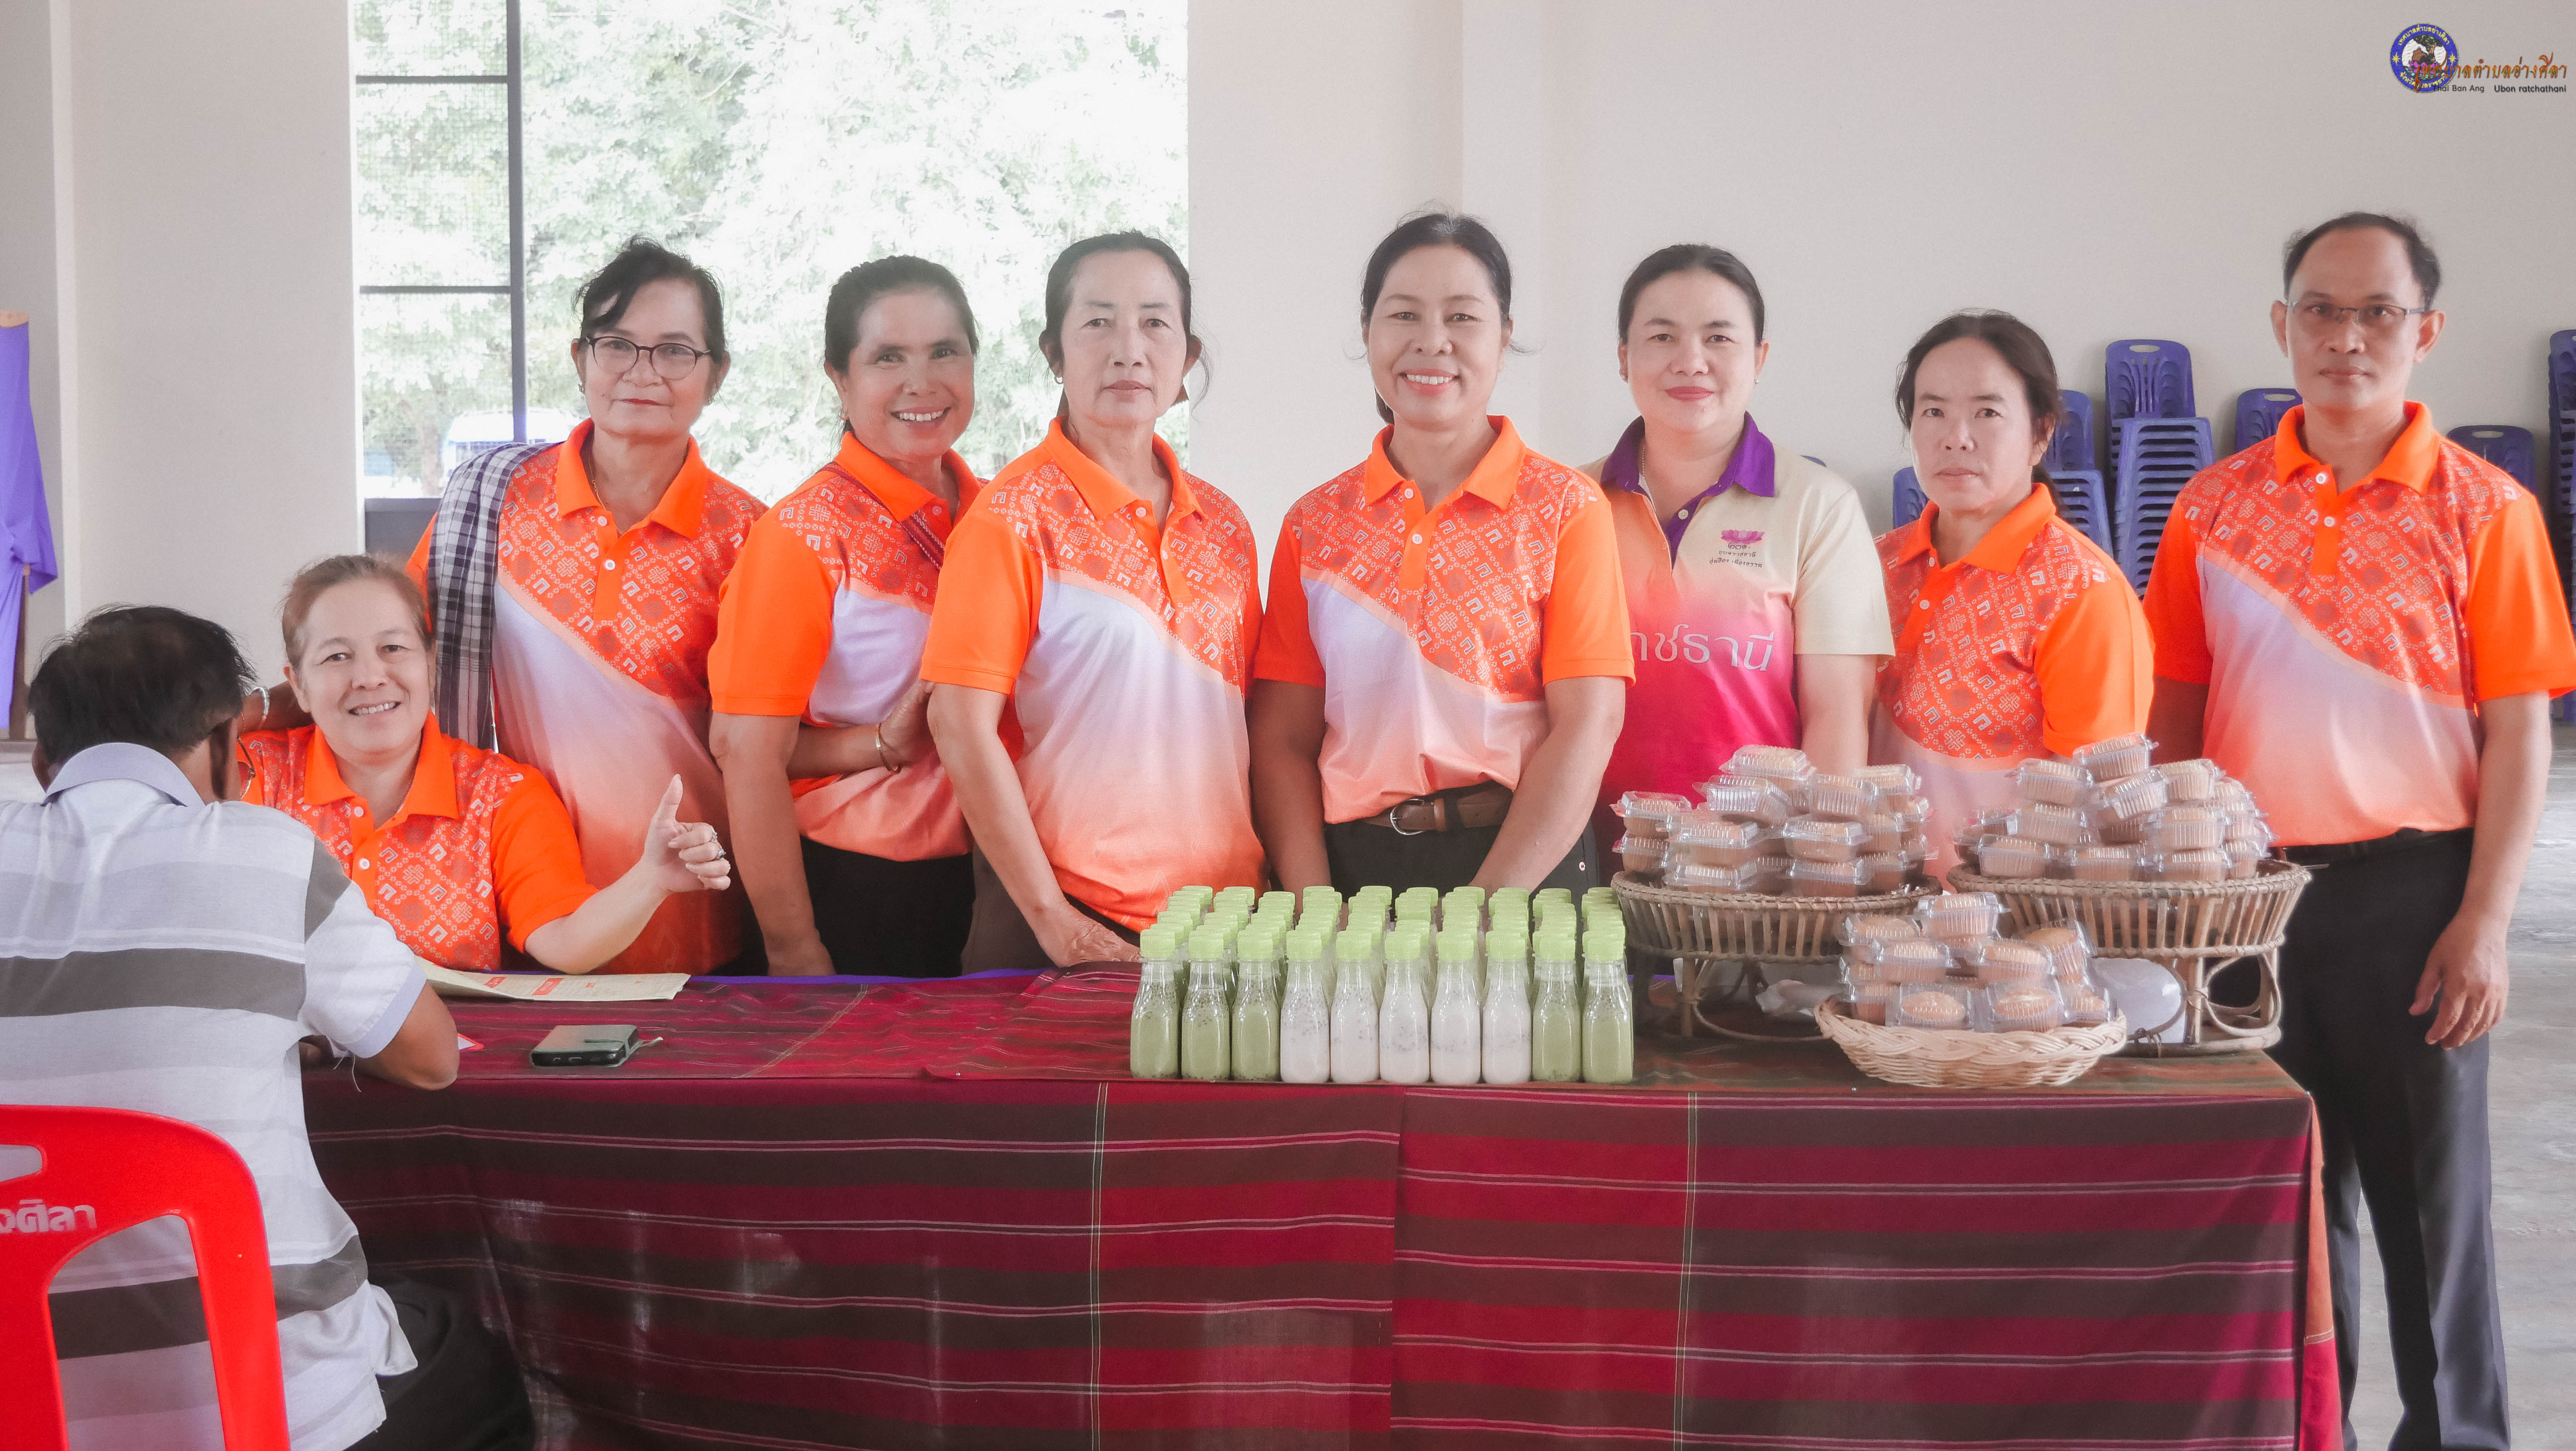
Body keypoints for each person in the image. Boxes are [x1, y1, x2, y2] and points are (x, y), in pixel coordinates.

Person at [2143, 213, 2576, 1451]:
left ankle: (2457, 1436)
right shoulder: (2210, 506)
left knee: (2431, 1211)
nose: (2347, 336)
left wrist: (2484, 921)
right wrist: (2175, 900)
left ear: (2424, 331)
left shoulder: (2487, 510)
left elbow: (2520, 732)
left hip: (2415, 898)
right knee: (2285, 1209)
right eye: (2322, 310)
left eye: (2377, 311)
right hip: (2248, 902)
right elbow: (2175, 714)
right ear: (2282, 325)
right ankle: (2306, 1434)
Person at [2, 605, 531, 1451]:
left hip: (22, 1402)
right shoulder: (265, 852)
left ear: (42, 758)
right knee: (466, 1354)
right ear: (228, 740)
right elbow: (432, 1059)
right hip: (256, 1403)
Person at [397, 237, 763, 972]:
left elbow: (772, 747)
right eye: (617, 345)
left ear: (716, 373)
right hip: (526, 906)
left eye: (675, 351)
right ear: (580, 359)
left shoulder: (750, 536)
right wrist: (253, 712)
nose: (642, 372)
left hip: (695, 918)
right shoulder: (492, 500)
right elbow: (390, 660)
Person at [1251, 212, 1630, 895]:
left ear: (1504, 336)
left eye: (1462, 317)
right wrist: (1313, 906)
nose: (1432, 341)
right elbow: (1282, 744)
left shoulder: (1566, 509)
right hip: (1355, 872)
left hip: (1524, 870)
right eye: (1404, 315)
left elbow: (1588, 725)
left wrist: (1484, 909)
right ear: (1368, 331)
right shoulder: (1313, 525)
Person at [919, 233, 1263, 970]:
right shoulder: (1012, 518)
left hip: (1226, 922)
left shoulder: (1225, 525)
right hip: (1070, 922)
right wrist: (1057, 924)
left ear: (1187, 358)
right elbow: (959, 724)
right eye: (1098, 322)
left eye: (1155, 323)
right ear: (1055, 352)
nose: (1128, 350)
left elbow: (1248, 723)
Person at [237, 555, 734, 974]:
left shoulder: (503, 795)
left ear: (430, 663)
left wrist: (651, 879)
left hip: (451, 1058)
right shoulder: (248, 777)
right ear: (298, 685)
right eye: (336, 657)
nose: (370, 676)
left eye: (393, 648)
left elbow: (565, 941)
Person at [709, 258, 983, 977]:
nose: (921, 382)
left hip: (989, 879)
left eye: (945, 351)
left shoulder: (998, 516)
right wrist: (795, 949)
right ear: (839, 377)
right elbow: (746, 754)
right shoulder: (801, 536)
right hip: (852, 884)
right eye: (888, 357)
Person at [1578, 243, 1888, 842]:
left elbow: (1837, 718)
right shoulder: (1571, 502)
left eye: (1718, 338)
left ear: (1759, 357)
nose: (1690, 361)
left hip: (1754, 869)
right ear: (1624, 357)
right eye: (1662, 337)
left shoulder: (1820, 507)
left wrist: (1815, 865)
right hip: (1587, 858)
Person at [1872, 311, 2151, 868]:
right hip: (1873, 900)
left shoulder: (2081, 590)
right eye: (1933, 411)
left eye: (1988, 412)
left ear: (2040, 434)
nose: (1956, 438)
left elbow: (2099, 808)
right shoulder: (1872, 565)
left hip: (2006, 910)